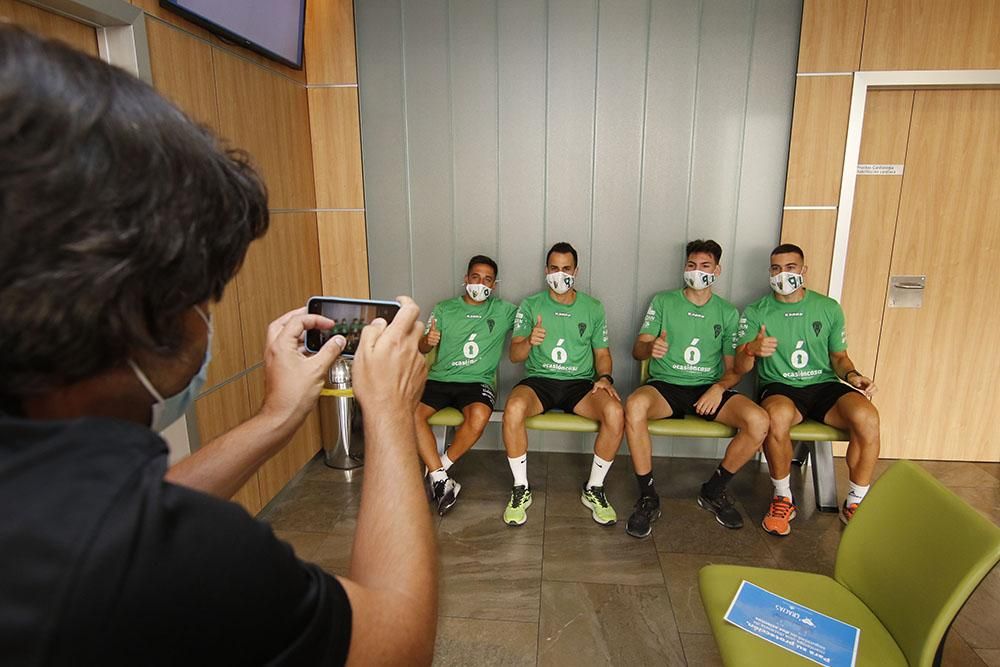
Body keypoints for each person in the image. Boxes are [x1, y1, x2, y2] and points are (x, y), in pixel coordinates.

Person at [0, 26, 435, 665]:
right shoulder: (177, 562)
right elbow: (396, 641)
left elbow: (118, 511)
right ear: (140, 314)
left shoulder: (49, 499)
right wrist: (392, 417)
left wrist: (278, 416)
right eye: (203, 296)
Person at [624, 240, 769, 538]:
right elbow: (637, 350)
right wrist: (651, 347)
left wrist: (718, 388)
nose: (697, 271)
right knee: (635, 406)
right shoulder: (663, 301)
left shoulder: (728, 312)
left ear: (717, 270)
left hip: (708, 389)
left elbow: (734, 370)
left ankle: (713, 491)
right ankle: (648, 497)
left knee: (759, 421)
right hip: (666, 386)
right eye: (691, 265)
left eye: (704, 266)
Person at [736, 243, 880, 536]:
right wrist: (752, 349)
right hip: (780, 386)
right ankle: (782, 498)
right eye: (776, 269)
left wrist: (853, 375)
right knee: (776, 417)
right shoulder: (756, 311)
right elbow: (740, 366)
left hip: (823, 385)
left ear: (804, 271)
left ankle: (855, 501)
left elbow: (839, 357)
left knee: (868, 417)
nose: (782, 275)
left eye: (790, 268)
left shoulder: (827, 308)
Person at [503, 242, 623, 526]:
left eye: (566, 269)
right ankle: (521, 488)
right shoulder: (531, 305)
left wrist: (604, 378)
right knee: (514, 408)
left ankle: (594, 488)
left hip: (579, 384)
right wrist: (530, 341)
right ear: (546, 272)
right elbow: (513, 355)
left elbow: (603, 355)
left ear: (576, 271)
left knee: (616, 412)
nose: (560, 275)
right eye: (554, 269)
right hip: (539, 381)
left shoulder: (593, 307)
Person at [415, 255, 517, 514]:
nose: (480, 283)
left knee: (480, 415)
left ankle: (439, 471)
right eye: (475, 277)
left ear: (494, 285)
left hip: (477, 382)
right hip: (440, 379)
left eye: (487, 279)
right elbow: (422, 346)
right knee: (412, 415)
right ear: (466, 279)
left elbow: (533, 320)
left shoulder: (505, 311)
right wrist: (428, 340)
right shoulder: (443, 308)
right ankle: (441, 480)